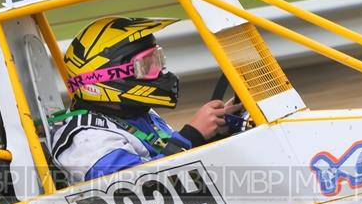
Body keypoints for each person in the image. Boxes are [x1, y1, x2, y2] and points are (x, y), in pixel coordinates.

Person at [51, 16, 243, 184]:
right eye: (146, 65)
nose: (158, 71)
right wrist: (192, 135)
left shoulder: (135, 113)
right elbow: (140, 190)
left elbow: (168, 159)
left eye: (157, 60)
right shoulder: (86, 139)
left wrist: (217, 130)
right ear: (107, 77)